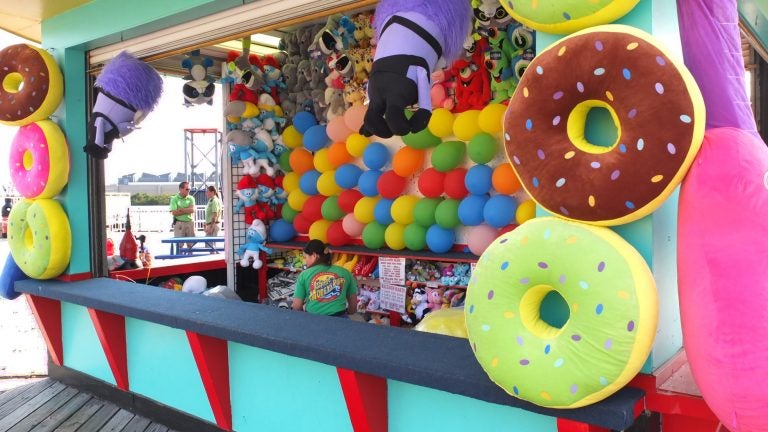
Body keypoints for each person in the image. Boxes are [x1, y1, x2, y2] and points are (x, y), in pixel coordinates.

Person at [292, 240, 358, 317]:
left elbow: (296, 306)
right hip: (340, 319)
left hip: (313, 319)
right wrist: (349, 311)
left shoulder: (304, 274)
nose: (305, 261)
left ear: (314, 255)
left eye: (305, 257)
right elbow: (353, 307)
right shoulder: (345, 272)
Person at [169, 181, 196, 252]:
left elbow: (192, 210)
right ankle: (180, 259)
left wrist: (181, 210)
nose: (189, 190)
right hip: (179, 223)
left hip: (190, 223)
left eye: (189, 189)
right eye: (187, 189)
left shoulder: (191, 198)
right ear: (180, 189)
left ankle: (191, 260)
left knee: (191, 244)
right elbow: (174, 212)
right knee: (179, 244)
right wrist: (187, 210)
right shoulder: (174, 199)